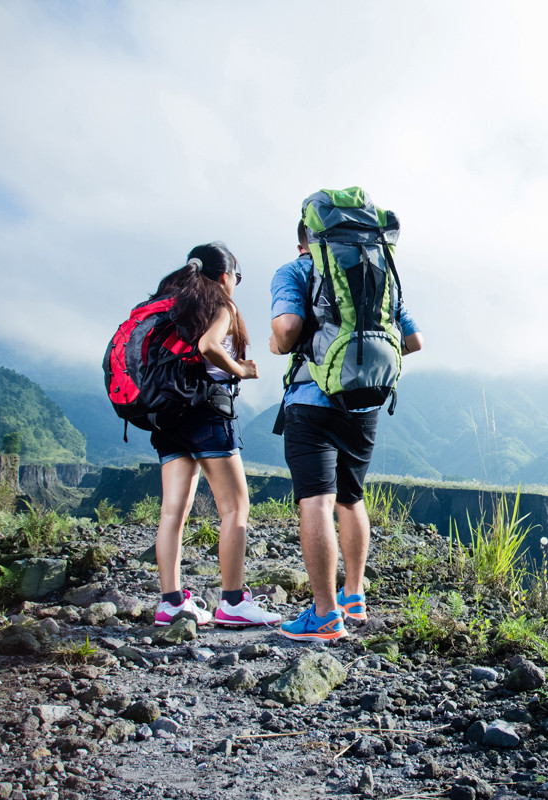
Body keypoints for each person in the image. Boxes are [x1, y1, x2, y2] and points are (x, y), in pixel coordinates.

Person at [269, 220, 423, 641]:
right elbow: (414, 340)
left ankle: (324, 615)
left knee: (316, 502)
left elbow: (285, 332)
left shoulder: (296, 270)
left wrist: (280, 345)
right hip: (366, 401)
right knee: (351, 499)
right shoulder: (378, 270)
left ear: (305, 238)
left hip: (313, 401)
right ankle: (353, 597)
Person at [150, 242, 281, 629]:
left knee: (172, 512)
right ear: (225, 276)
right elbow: (209, 347)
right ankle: (233, 602)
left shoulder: (171, 305)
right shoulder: (221, 305)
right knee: (235, 508)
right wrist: (241, 370)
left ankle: (171, 603)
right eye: (236, 277)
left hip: (167, 414)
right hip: (206, 411)